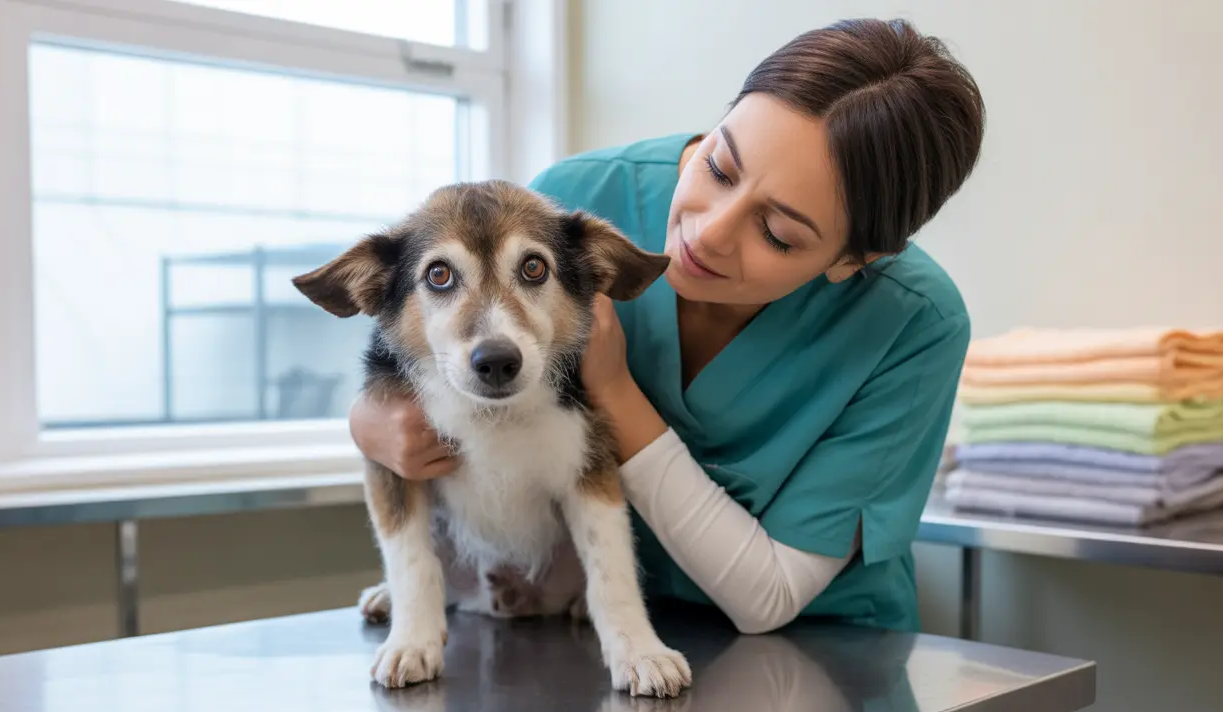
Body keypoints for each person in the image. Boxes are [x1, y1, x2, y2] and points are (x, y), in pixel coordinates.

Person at [349, 17, 985, 634]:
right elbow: (434, 352)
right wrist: (371, 420)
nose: (707, 233)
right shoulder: (570, 203)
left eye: (778, 232)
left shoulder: (914, 324)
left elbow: (771, 597)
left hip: (825, 651)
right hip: (596, 620)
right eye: (718, 166)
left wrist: (617, 392)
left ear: (856, 260)